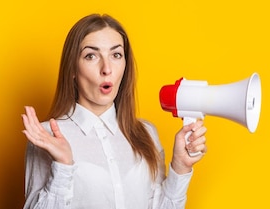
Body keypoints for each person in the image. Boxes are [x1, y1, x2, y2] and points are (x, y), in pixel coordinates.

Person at [20, 13, 207, 209]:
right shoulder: (46, 137)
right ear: (73, 69)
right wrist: (63, 166)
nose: (106, 69)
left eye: (116, 55)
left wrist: (180, 167)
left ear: (125, 66)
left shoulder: (146, 133)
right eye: (91, 56)